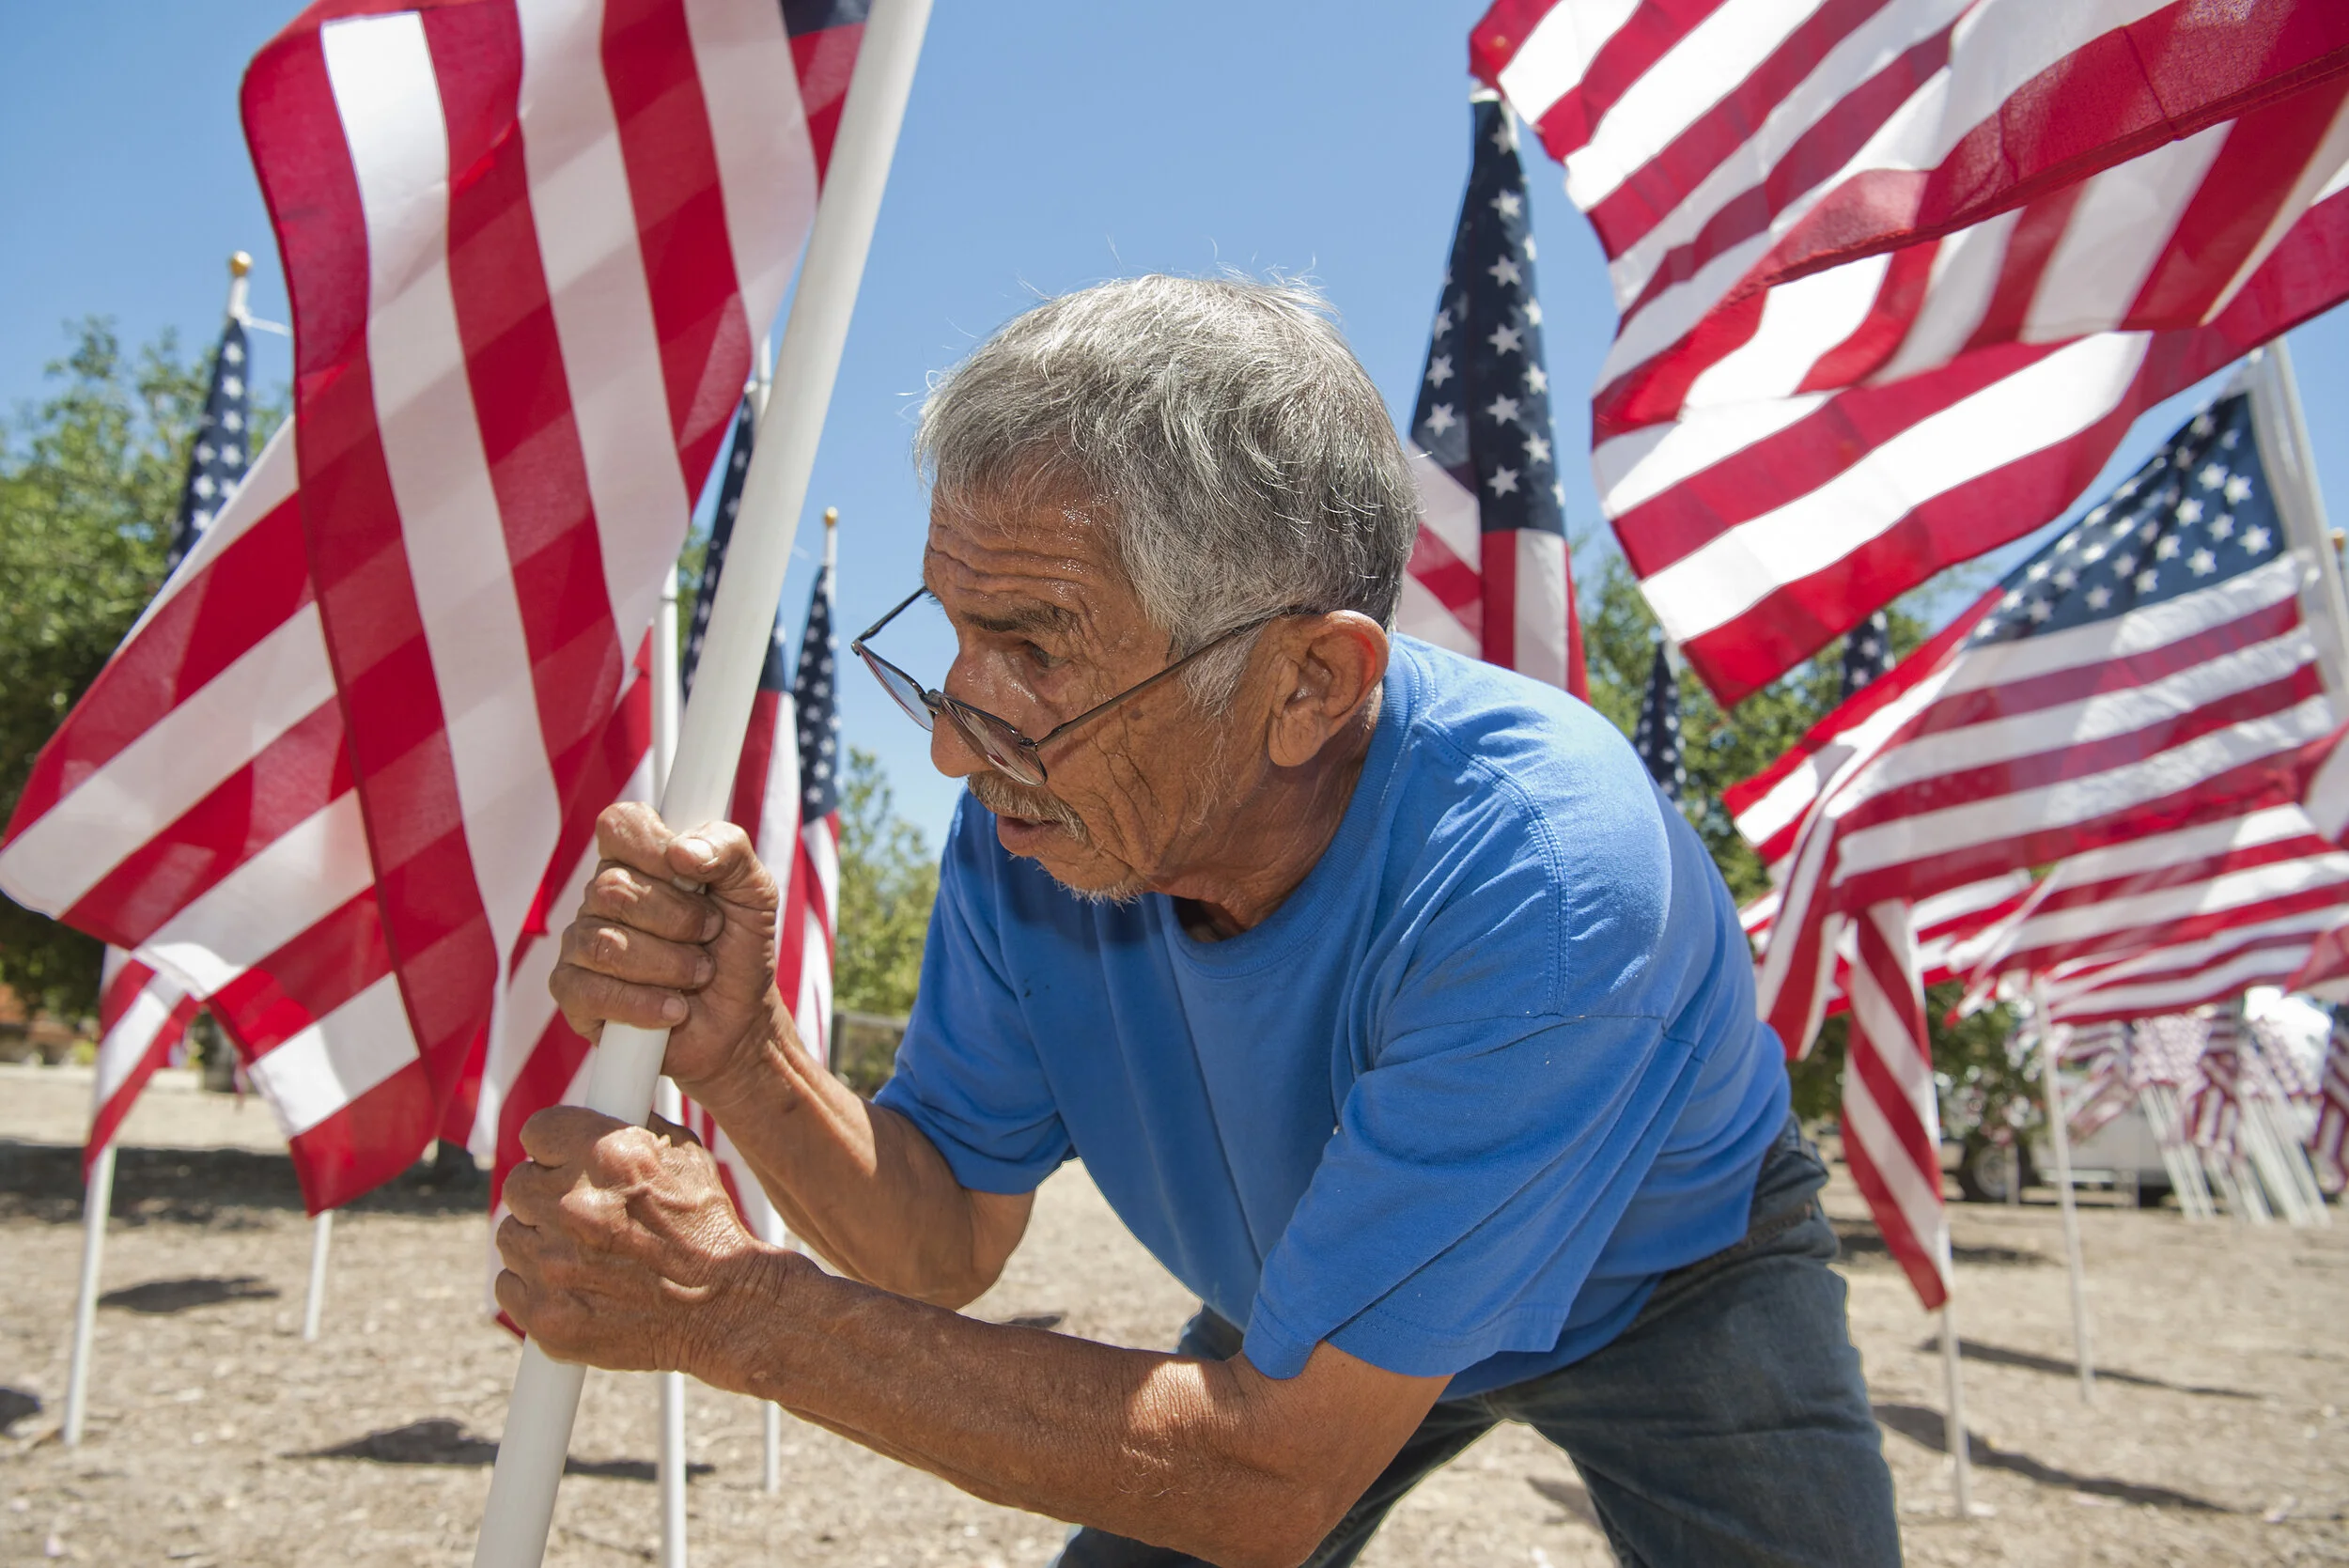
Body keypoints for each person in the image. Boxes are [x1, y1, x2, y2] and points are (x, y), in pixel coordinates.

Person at [497, 276, 1900, 1568]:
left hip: (1665, 1285)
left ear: (1308, 683)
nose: (951, 751)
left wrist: (738, 1308)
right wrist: (746, 1058)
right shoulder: (1034, 821)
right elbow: (940, 1244)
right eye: (957, 633)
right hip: (1312, 1289)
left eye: (1038, 649)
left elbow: (1264, 1476)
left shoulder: (1546, 872)